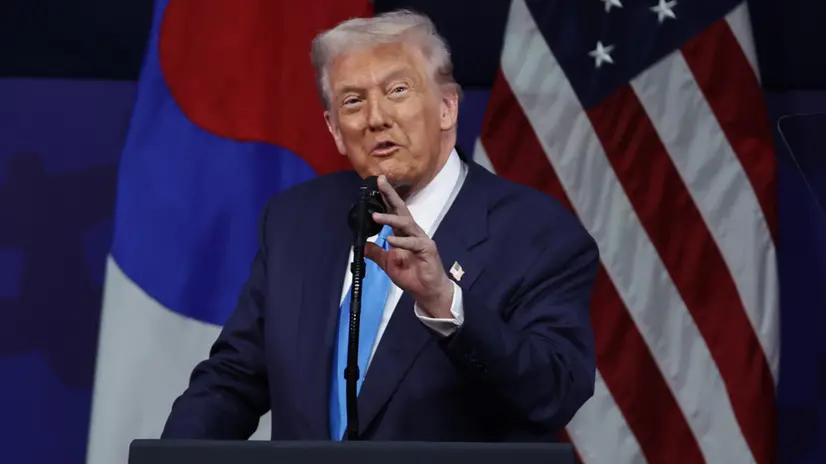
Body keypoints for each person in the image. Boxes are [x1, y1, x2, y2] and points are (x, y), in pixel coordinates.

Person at [162, 9, 599, 442]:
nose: (376, 118)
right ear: (335, 129)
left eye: (398, 90)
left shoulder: (538, 235)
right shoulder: (295, 220)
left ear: (447, 107)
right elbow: (234, 377)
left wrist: (445, 304)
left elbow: (554, 393)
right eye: (353, 101)